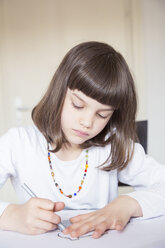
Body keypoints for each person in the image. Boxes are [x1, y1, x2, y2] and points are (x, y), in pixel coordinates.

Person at [0, 41, 165, 239]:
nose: (87, 123)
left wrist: (127, 204)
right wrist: (10, 215)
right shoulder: (18, 143)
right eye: (78, 105)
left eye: (102, 115)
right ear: (58, 92)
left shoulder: (113, 146)